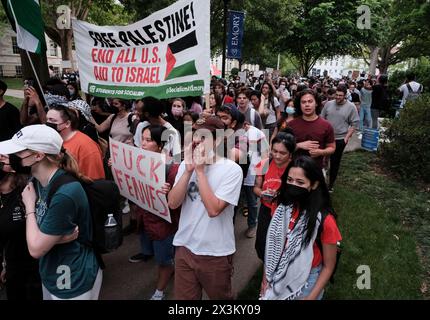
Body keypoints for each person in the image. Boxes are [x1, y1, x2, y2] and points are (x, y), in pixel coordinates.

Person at [0, 125, 102, 300]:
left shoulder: (64, 193)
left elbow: (35, 249)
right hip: (51, 272)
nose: (11, 158)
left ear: (38, 156)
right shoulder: (38, 180)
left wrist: (30, 207)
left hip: (71, 278)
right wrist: (59, 238)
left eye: (17, 153)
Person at [168, 116, 243, 300]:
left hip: (215, 253)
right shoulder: (186, 166)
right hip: (184, 247)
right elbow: (173, 203)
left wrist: (200, 172)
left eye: (203, 137)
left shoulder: (231, 170)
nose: (196, 141)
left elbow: (213, 210)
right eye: (195, 134)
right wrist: (188, 171)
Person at [260, 155, 342, 300]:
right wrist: (265, 277)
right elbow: (272, 244)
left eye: (300, 182)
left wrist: (311, 297)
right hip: (276, 270)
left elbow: (329, 266)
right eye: (290, 180)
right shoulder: (281, 207)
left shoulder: (325, 221)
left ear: (314, 185)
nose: (293, 185)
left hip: (306, 280)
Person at [129, 125, 180, 300]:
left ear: (160, 145)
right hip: (146, 220)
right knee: (157, 255)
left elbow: (176, 202)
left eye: (148, 140)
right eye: (142, 138)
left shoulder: (172, 167)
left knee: (164, 260)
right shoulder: (138, 160)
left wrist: (168, 192)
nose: (142, 143)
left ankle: (159, 292)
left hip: (164, 225)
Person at [0, 155, 42, 300]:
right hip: (13, 269)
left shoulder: (28, 189)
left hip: (36, 268)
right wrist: (4, 265)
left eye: (2, 159)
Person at [254, 132, 296, 261]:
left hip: (287, 212)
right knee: (261, 243)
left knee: (282, 244)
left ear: (290, 154)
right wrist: (262, 193)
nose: (277, 156)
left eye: (282, 153)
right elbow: (255, 188)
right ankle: (266, 265)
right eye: (274, 151)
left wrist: (281, 196)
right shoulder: (264, 164)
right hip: (266, 209)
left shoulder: (295, 168)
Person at [45, 105, 105, 180]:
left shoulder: (86, 146)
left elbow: (95, 181)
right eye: (47, 119)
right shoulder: (53, 140)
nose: (47, 123)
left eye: (52, 120)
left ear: (67, 124)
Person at [321, 85, 359, 192]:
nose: (337, 97)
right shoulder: (328, 104)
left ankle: (330, 184)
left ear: (345, 95)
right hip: (326, 138)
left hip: (340, 138)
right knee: (323, 159)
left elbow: (354, 123)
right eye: (336, 95)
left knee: (335, 162)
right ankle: (321, 178)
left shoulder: (351, 107)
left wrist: (346, 137)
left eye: (340, 95)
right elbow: (321, 118)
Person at [289, 89, 336, 169]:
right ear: (299, 105)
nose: (307, 105)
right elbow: (284, 148)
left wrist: (321, 152)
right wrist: (298, 145)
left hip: (316, 169)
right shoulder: (291, 125)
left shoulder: (326, 125)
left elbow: (332, 147)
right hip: (295, 170)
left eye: (310, 101)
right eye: (303, 102)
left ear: (316, 103)